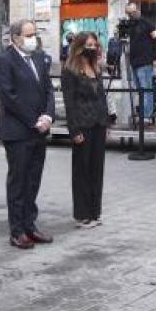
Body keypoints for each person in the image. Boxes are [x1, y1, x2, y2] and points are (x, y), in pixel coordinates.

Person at [0, 19, 56, 249]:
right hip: (18, 131)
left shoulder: (39, 58)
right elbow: (8, 96)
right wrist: (33, 121)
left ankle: (30, 224)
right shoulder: (5, 61)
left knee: (33, 180)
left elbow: (48, 89)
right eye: (28, 35)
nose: (33, 39)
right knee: (18, 181)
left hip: (40, 130)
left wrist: (48, 116)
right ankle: (17, 230)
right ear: (15, 38)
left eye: (34, 34)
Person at [60, 32, 111, 228]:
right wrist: (74, 130)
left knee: (97, 169)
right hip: (82, 125)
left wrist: (106, 123)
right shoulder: (70, 70)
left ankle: (95, 211)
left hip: (98, 124)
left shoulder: (95, 68)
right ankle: (82, 214)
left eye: (94, 45)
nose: (92, 48)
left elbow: (102, 98)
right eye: (88, 45)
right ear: (79, 47)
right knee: (82, 170)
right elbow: (69, 102)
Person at [124, 2, 156, 125]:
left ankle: (146, 115)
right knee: (140, 89)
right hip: (134, 61)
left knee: (146, 89)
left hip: (145, 61)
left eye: (132, 12)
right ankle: (143, 113)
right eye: (128, 13)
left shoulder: (147, 23)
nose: (131, 15)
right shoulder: (130, 25)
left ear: (138, 10)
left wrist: (155, 57)